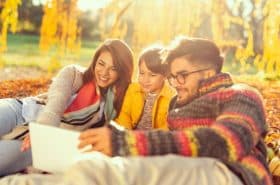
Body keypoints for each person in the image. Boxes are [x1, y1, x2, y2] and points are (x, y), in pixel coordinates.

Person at [77, 37, 272, 185]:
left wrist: (125, 142)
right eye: (172, 77)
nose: (176, 84)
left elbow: (224, 142)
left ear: (208, 73)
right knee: (85, 165)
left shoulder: (241, 95)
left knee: (96, 171)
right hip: (187, 169)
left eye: (182, 76)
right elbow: (173, 147)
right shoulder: (176, 106)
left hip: (231, 174)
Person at [0, 39, 134, 176]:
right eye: (101, 64)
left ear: (122, 71)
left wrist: (41, 137)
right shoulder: (74, 74)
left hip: (45, 144)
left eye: (113, 68)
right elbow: (55, 106)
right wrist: (42, 129)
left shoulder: (115, 105)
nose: (104, 73)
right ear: (95, 61)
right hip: (22, 112)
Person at [115, 45, 174, 130]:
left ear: (165, 75)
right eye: (142, 73)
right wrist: (126, 133)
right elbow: (125, 114)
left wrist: (149, 139)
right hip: (131, 135)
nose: (145, 80)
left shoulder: (170, 97)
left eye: (152, 75)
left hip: (153, 139)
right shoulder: (133, 89)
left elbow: (167, 126)